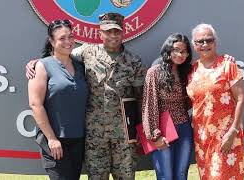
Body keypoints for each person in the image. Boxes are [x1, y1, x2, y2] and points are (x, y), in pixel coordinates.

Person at [26, 12, 146, 180]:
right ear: (100, 33)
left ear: (122, 32)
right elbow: (58, 57)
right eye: (108, 31)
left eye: (116, 31)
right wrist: (36, 63)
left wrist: (142, 131)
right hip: (94, 136)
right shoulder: (86, 52)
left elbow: (142, 99)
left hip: (123, 136)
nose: (112, 35)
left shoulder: (134, 61)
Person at [28, 20, 88, 180]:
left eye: (71, 36)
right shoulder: (42, 66)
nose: (68, 42)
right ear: (52, 41)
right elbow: (35, 104)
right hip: (55, 141)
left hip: (78, 139)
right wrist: (52, 139)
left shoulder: (81, 66)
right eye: (62, 38)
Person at [186, 23, 244, 180]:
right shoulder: (191, 70)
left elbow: (241, 99)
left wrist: (233, 132)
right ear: (194, 45)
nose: (205, 44)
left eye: (209, 40)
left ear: (215, 42)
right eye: (200, 41)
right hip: (202, 139)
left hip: (226, 137)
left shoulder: (228, 65)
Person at [142, 33, 193, 180]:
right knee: (166, 176)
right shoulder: (155, 72)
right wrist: (154, 135)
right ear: (168, 50)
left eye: (184, 51)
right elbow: (149, 105)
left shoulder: (186, 72)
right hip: (163, 130)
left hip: (184, 128)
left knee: (181, 174)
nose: (180, 54)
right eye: (176, 50)